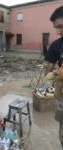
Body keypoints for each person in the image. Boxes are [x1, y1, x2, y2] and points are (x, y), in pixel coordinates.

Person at [45, 6, 63, 148]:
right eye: (56, 28)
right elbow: (49, 67)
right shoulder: (57, 45)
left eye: (61, 26)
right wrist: (49, 77)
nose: (58, 32)